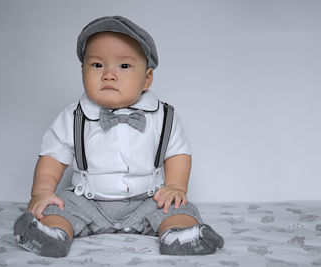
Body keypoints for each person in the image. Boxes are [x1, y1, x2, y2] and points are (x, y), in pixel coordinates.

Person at [14, 15, 224, 257]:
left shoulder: (163, 116)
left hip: (148, 200)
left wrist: (175, 186)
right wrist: (41, 192)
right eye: (97, 65)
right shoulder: (73, 116)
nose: (109, 75)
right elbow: (52, 157)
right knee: (57, 208)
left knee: (179, 209)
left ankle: (178, 235)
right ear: (82, 71)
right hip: (87, 201)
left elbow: (178, 152)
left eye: (124, 66)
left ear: (146, 78)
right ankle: (52, 236)